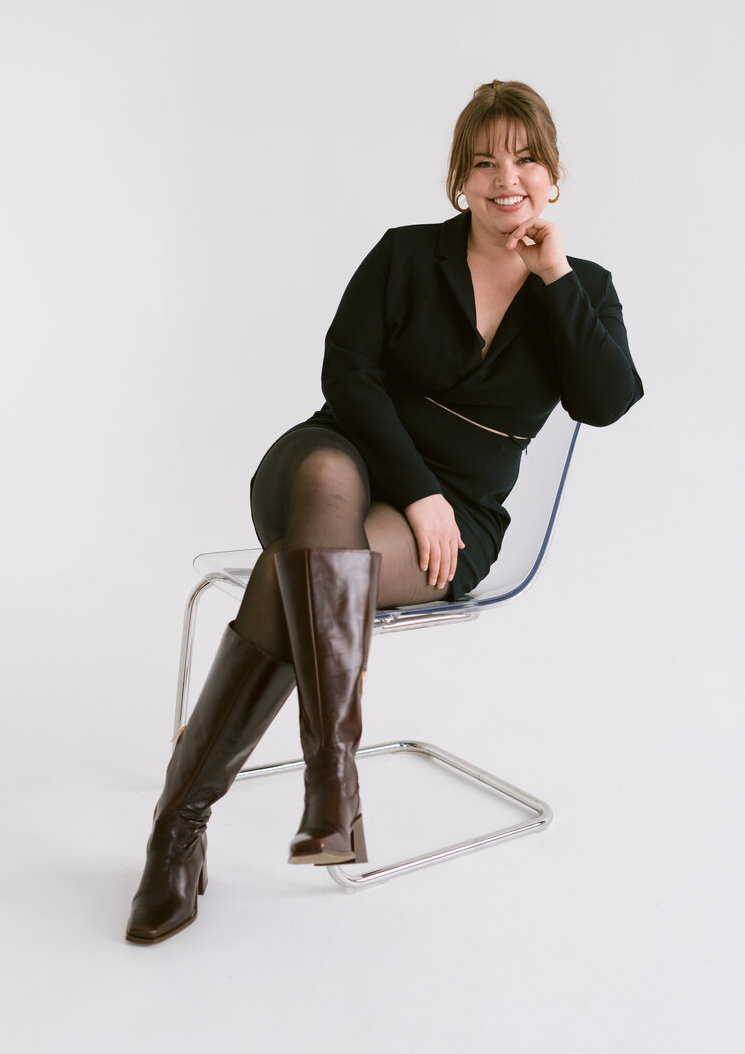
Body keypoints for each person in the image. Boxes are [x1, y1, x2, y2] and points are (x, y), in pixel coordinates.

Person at [125, 78, 644, 944]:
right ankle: (333, 782)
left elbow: (608, 399)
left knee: (289, 571)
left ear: (553, 175)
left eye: (524, 159)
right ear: (458, 180)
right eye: (482, 162)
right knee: (322, 493)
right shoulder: (407, 255)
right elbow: (348, 377)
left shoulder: (580, 286)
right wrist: (421, 489)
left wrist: (552, 272)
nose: (503, 178)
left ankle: (176, 831)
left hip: (456, 523)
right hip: (333, 463)